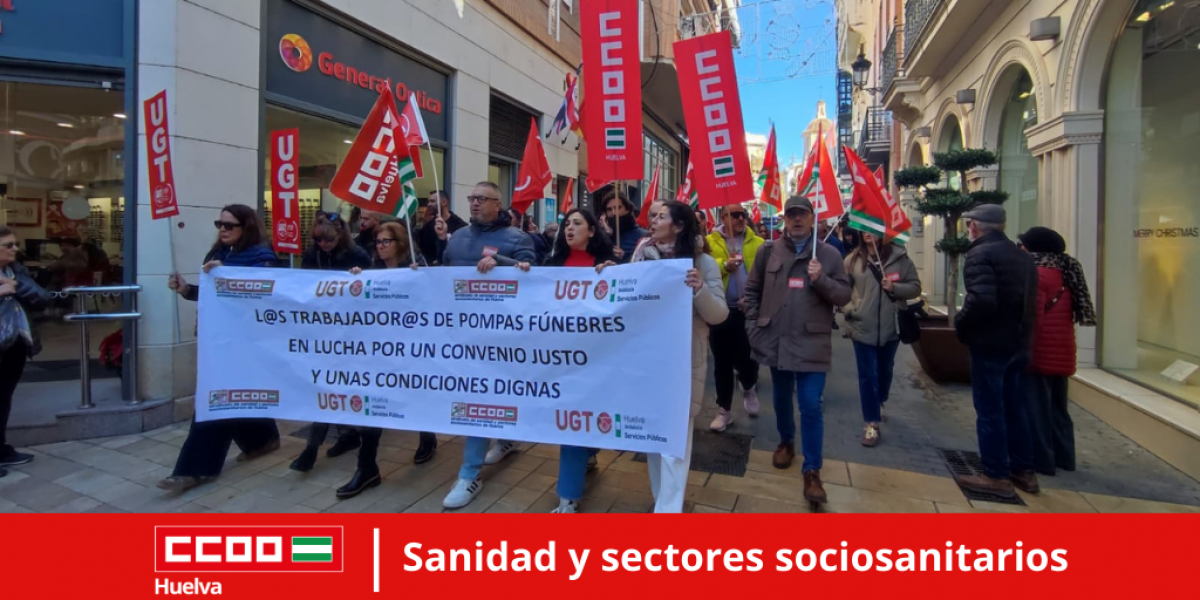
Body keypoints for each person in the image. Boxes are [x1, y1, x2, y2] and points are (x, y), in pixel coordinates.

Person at [159, 205, 281, 492]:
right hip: (218, 341)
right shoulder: (217, 255)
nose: (223, 229)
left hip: (244, 343)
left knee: (216, 400)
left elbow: (264, 297)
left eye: (230, 225)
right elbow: (212, 296)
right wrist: (186, 289)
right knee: (234, 397)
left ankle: (193, 469)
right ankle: (261, 439)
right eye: (220, 224)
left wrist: (228, 276)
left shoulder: (262, 258)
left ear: (246, 226)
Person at [744, 195, 851, 505]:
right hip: (776, 340)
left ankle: (812, 470)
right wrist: (754, 325)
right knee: (780, 397)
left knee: (810, 404)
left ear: (812, 218)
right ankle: (786, 442)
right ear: (785, 220)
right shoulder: (768, 251)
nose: (797, 220)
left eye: (802, 214)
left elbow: (843, 296)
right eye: (791, 215)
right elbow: (752, 291)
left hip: (811, 342)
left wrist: (821, 280)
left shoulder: (829, 254)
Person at [440, 181, 536, 509]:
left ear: (499, 204)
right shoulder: (458, 239)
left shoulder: (517, 239)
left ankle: (469, 475)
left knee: (479, 403)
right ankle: (505, 440)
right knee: (477, 401)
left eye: (482, 198)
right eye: (472, 197)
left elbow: (536, 280)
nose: (475, 203)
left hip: (502, 340)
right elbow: (441, 280)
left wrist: (504, 265)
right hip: (461, 337)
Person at [632, 200, 728, 513]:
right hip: (647, 359)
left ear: (679, 226)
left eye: (661, 216)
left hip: (683, 363)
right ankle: (662, 499)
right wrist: (610, 277)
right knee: (653, 437)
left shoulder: (703, 263)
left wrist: (700, 289)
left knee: (674, 440)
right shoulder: (642, 257)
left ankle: (668, 510)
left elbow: (719, 315)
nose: (653, 220)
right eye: (653, 216)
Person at [334, 221, 438, 499]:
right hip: (380, 352)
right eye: (378, 242)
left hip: (412, 350)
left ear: (400, 244)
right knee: (373, 406)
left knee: (416, 395)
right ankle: (366, 468)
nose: (380, 247)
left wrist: (422, 279)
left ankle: (427, 436)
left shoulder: (416, 267)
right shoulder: (373, 272)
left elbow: (433, 303)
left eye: (386, 242)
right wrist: (356, 280)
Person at [954, 204, 1039, 497]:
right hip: (1019, 343)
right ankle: (1023, 471)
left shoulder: (980, 254)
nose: (968, 229)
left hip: (991, 344)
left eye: (969, 224)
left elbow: (981, 301)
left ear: (975, 226)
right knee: (1016, 407)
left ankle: (995, 474)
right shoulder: (1022, 256)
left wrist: (961, 324)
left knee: (990, 410)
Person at [545, 209, 617, 512]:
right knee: (572, 423)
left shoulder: (608, 266)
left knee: (583, 420)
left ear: (591, 231)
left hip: (598, 357)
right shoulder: (550, 265)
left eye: (577, 223)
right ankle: (568, 497)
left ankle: (586, 458)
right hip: (561, 357)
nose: (569, 228)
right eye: (566, 224)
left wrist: (617, 274)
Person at [290, 213, 374, 473]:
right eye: (318, 239)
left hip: (351, 333)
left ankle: (318, 446)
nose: (323, 244)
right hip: (322, 331)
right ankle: (320, 445)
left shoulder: (358, 255)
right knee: (326, 387)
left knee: (337, 386)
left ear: (341, 236)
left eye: (328, 240)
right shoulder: (312, 255)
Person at [1018, 226, 1096, 476]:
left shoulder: (1038, 273)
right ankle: (1064, 457)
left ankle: (1043, 461)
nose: (1021, 247)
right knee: (1058, 408)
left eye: (1024, 244)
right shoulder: (1066, 269)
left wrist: (1021, 348)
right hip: (1061, 350)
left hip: (1040, 351)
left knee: (1036, 409)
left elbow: (1034, 318)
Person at [843, 231, 921, 447]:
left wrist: (895, 288)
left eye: (873, 227)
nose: (868, 232)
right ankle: (871, 422)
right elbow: (842, 290)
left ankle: (880, 400)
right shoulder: (852, 260)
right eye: (864, 228)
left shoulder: (900, 258)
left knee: (885, 370)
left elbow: (916, 286)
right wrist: (851, 310)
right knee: (868, 375)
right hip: (862, 326)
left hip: (891, 328)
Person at [705, 204, 764, 431]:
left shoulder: (758, 243)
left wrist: (752, 301)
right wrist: (723, 265)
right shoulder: (710, 242)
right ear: (723, 217)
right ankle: (724, 410)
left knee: (749, 358)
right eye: (735, 215)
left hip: (747, 312)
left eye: (743, 215)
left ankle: (748, 385)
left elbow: (765, 277)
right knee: (722, 362)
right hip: (720, 310)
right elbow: (702, 268)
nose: (741, 219)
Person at [0, 226, 51, 471]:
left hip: (15, 343)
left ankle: (1, 448)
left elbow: (42, 297)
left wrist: (15, 285)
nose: (15, 249)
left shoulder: (16, 271)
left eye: (15, 244)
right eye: (8, 245)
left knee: (3, 397)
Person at [417, 191, 466, 265]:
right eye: (428, 201)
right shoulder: (427, 227)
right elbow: (423, 251)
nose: (429, 204)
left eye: (432, 201)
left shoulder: (460, 226)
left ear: (444, 202)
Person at [603, 191, 647, 263]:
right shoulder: (603, 238)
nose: (614, 213)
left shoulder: (644, 236)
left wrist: (625, 256)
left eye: (618, 208)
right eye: (609, 209)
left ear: (627, 209)